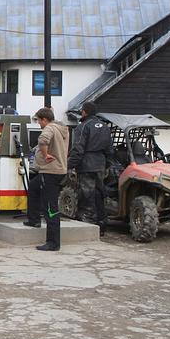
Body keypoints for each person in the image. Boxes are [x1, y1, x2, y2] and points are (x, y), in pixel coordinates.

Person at [67, 101, 112, 236]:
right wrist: (106, 164)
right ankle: (102, 224)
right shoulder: (104, 126)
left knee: (86, 195)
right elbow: (110, 149)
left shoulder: (83, 126)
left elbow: (78, 148)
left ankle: (88, 225)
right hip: (100, 164)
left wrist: (70, 165)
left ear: (84, 112)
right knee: (99, 193)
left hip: (86, 165)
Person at [33, 107, 69, 251]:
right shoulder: (62, 129)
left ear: (44, 120)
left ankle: (53, 242)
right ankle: (35, 221)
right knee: (48, 202)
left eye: (39, 121)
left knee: (50, 208)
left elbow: (43, 140)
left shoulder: (49, 128)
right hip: (60, 170)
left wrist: (45, 154)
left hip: (50, 171)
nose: (39, 124)